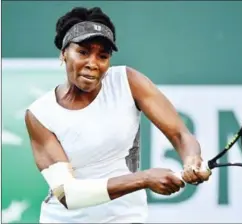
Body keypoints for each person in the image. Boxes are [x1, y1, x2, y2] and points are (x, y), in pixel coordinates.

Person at [24, 6, 211, 223]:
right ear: (64, 54)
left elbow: (180, 134)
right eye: (83, 52)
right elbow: (68, 193)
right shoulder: (40, 114)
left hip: (125, 217)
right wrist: (144, 179)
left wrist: (192, 159)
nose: (93, 63)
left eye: (102, 56)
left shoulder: (128, 82)